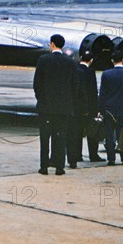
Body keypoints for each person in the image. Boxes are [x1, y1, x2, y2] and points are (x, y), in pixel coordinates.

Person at [34, 34, 79, 176]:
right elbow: (75, 85)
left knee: (44, 137)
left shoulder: (43, 60)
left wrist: (41, 99)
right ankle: (60, 167)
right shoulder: (70, 62)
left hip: (46, 107)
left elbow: (37, 84)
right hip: (63, 107)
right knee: (60, 137)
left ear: (52, 44)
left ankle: (44, 166)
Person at [98, 51, 123, 166]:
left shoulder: (106, 74)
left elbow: (102, 93)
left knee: (109, 134)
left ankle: (111, 158)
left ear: (112, 60)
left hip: (109, 108)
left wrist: (100, 109)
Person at [69, 51, 103, 167]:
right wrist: (96, 108)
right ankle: (93, 154)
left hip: (76, 107)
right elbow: (93, 92)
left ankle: (77, 154)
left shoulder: (75, 70)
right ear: (91, 60)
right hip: (88, 107)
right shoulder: (90, 72)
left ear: (80, 58)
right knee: (92, 133)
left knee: (77, 132)